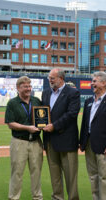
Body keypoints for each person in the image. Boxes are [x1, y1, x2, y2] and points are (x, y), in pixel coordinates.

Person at [80, 71, 106, 200]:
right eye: (92, 81)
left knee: (104, 178)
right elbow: (84, 124)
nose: (92, 83)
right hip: (89, 145)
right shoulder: (88, 101)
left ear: (104, 83)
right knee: (93, 177)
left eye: (94, 81)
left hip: (105, 147)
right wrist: (82, 142)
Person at [42, 68, 81, 200]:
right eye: (49, 78)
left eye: (52, 78)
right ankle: (57, 198)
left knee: (71, 176)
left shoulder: (73, 93)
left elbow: (72, 114)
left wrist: (54, 126)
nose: (50, 80)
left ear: (61, 78)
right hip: (49, 141)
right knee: (54, 175)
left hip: (67, 140)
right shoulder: (46, 93)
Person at [5, 76, 43, 200]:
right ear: (18, 88)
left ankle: (37, 197)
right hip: (19, 142)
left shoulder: (36, 101)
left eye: (29, 86)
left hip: (36, 142)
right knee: (17, 172)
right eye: (25, 86)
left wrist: (43, 125)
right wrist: (28, 128)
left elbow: (43, 118)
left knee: (36, 172)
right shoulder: (12, 103)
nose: (28, 89)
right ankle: (14, 197)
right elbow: (10, 123)